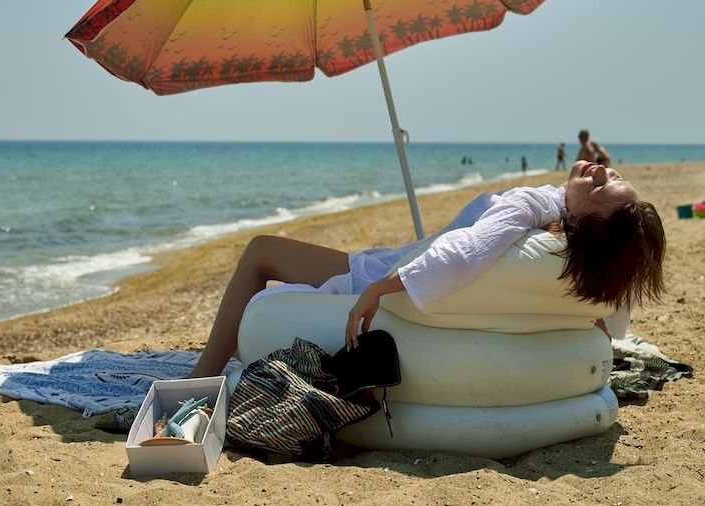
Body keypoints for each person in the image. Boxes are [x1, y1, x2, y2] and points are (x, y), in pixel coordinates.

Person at [187, 160, 666, 377]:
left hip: (374, 273)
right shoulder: (569, 249)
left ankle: (202, 374)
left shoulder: (528, 207)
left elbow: (466, 250)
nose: (602, 170)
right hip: (398, 264)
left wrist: (381, 287)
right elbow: (614, 313)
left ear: (585, 224)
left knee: (260, 249)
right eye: (615, 176)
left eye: (604, 188)